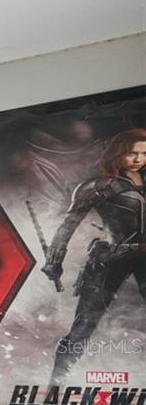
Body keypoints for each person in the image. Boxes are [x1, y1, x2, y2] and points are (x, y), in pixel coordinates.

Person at [43, 128, 146, 381]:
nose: (138, 159)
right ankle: (56, 383)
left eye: (144, 153)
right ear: (118, 153)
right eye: (132, 153)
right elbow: (68, 224)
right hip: (111, 257)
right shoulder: (99, 186)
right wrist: (54, 260)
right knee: (84, 324)